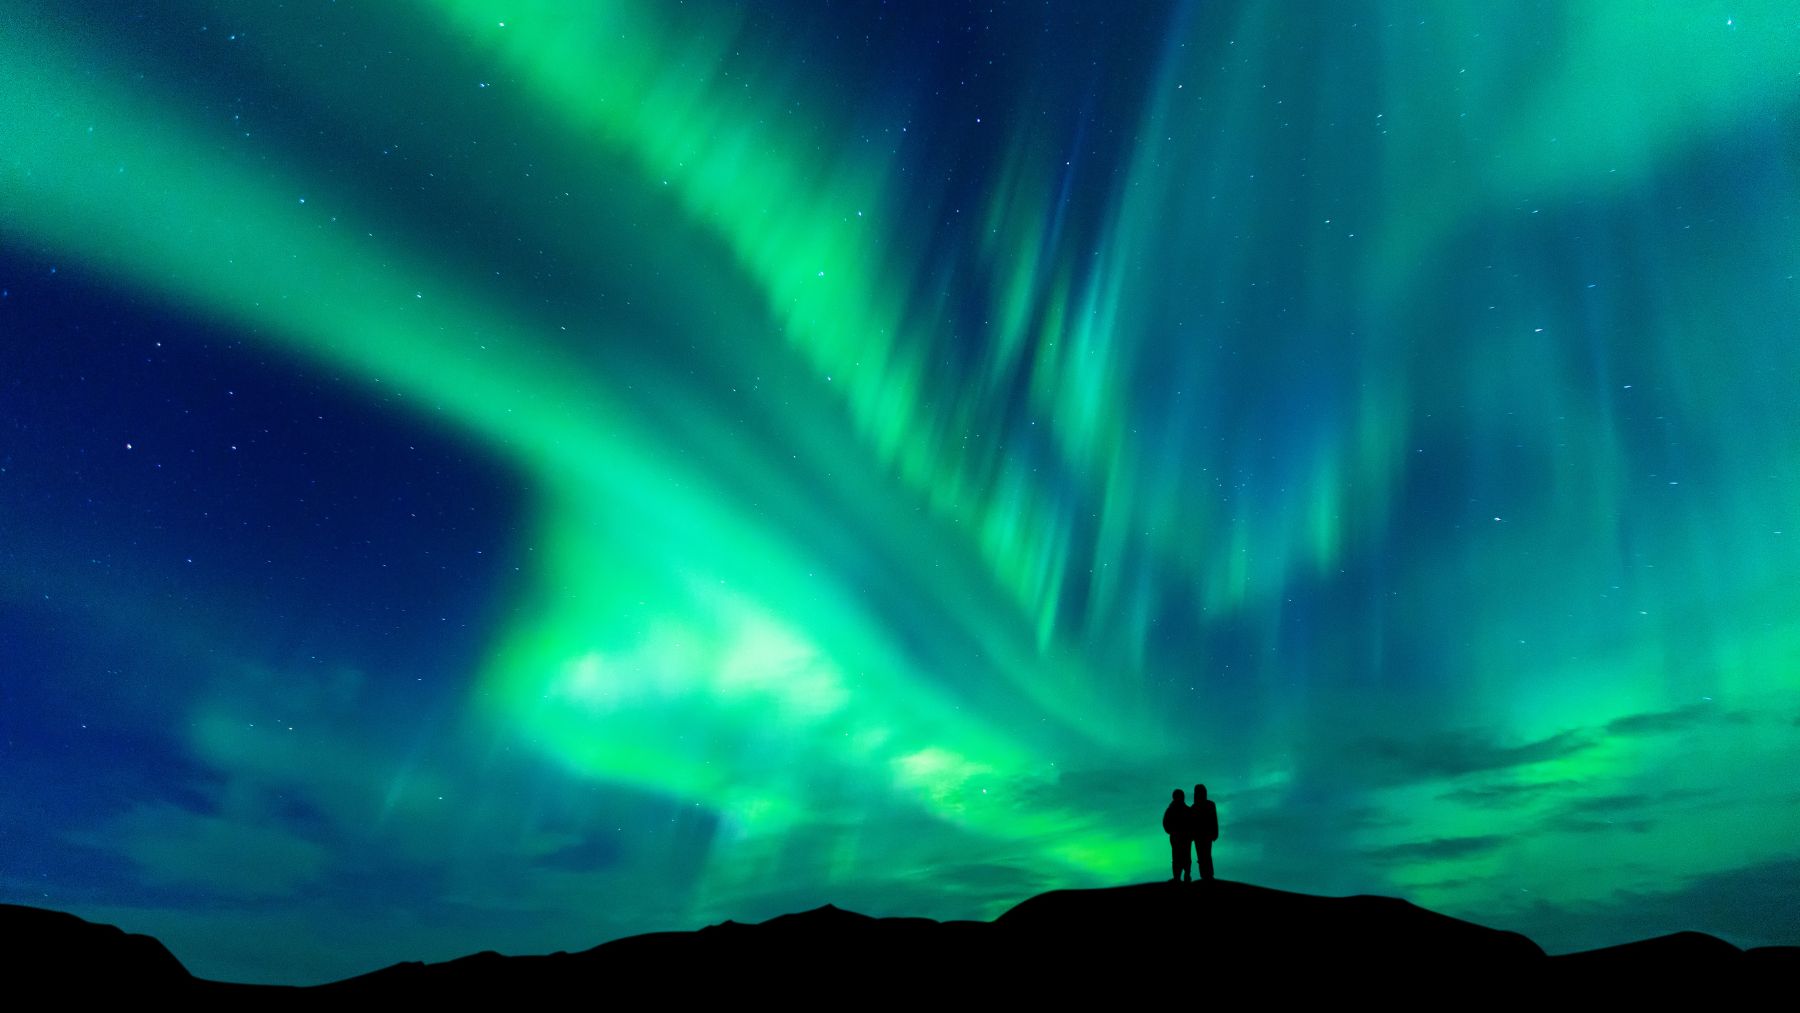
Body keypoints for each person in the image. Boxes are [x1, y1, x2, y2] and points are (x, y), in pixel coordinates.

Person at [1162, 788, 1192, 881]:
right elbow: (1166, 823)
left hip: (1182, 837)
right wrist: (1171, 832)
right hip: (1179, 838)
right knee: (1180, 857)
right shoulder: (1175, 809)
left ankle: (1183, 876)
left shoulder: (1173, 809)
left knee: (1181, 857)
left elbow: (1165, 822)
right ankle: (1179, 877)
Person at [1190, 783, 1219, 881]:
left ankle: (1208, 875)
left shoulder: (1205, 805)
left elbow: (1214, 820)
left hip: (1205, 835)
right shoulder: (1195, 807)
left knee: (1205, 855)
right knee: (1203, 855)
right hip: (1201, 835)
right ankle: (1205, 875)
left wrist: (1215, 833)